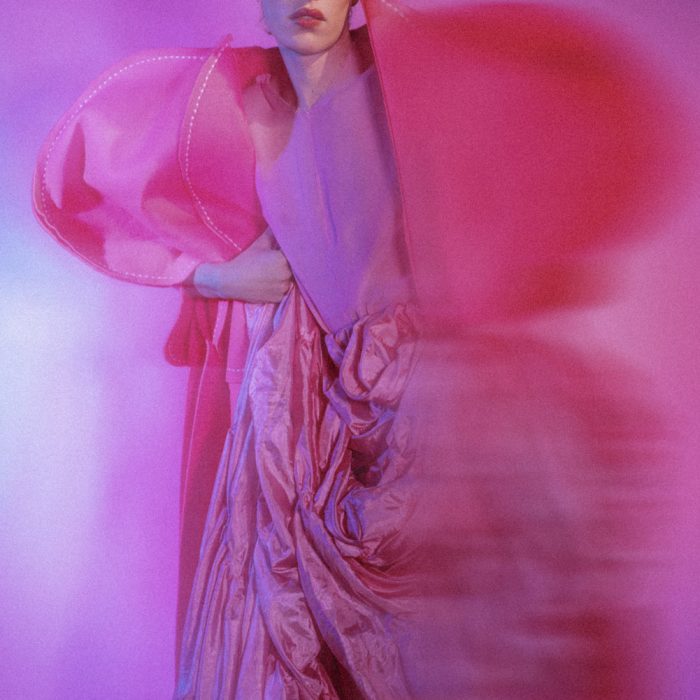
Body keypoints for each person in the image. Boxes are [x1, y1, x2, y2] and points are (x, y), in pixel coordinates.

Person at [33, 1, 684, 697]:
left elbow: (530, 193)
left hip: (430, 442)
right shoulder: (232, 106)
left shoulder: (419, 85)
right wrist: (213, 277)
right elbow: (78, 186)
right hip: (297, 440)